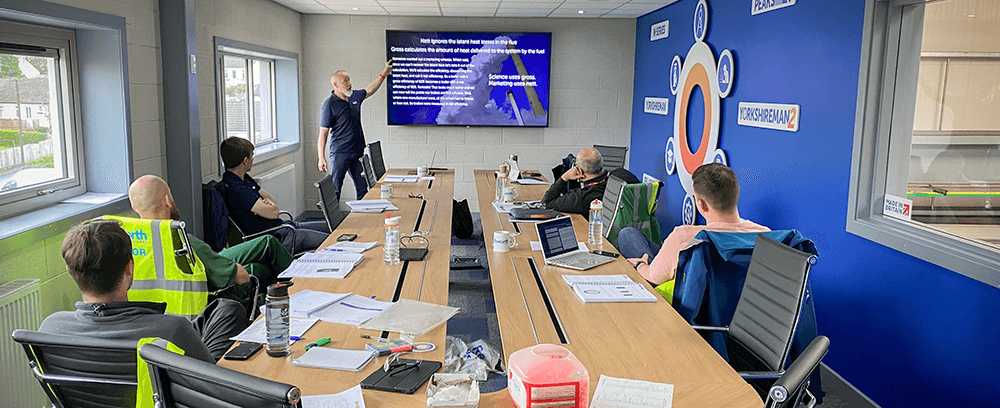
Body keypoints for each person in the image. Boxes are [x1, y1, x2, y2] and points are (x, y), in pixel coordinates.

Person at [38, 220, 246, 363]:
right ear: (129, 268)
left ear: (70, 271)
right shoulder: (170, 331)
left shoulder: (50, 329)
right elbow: (211, 385)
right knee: (229, 310)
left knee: (225, 309)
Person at [128, 175, 291, 311]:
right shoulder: (184, 243)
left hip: (164, 311)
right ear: (168, 200)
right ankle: (298, 288)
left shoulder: (128, 244)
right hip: (211, 302)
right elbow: (241, 277)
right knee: (259, 265)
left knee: (263, 251)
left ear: (134, 208)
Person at [617, 163, 769, 285]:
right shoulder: (766, 236)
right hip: (735, 305)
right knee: (628, 234)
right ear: (735, 196)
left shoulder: (685, 236)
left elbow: (652, 278)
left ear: (701, 205)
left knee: (627, 237)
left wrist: (640, 265)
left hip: (684, 304)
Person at [220, 137, 330, 254]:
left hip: (285, 226)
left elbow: (271, 201)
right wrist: (266, 205)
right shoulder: (236, 188)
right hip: (280, 236)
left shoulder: (244, 178)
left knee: (331, 227)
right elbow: (274, 213)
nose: (253, 159)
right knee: (333, 240)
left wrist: (265, 206)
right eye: (252, 156)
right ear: (245, 160)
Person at [316, 60, 393, 200]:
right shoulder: (329, 104)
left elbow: (370, 89)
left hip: (357, 153)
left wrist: (384, 74)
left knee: (363, 188)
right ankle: (332, 222)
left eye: (349, 80)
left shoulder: (354, 97)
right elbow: (323, 133)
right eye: (345, 81)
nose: (349, 83)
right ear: (336, 85)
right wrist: (321, 157)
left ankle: (362, 218)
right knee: (335, 189)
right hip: (340, 153)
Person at [541, 147, 610, 216]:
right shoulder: (615, 179)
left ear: (579, 170)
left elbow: (545, 203)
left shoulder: (579, 198)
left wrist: (564, 177)